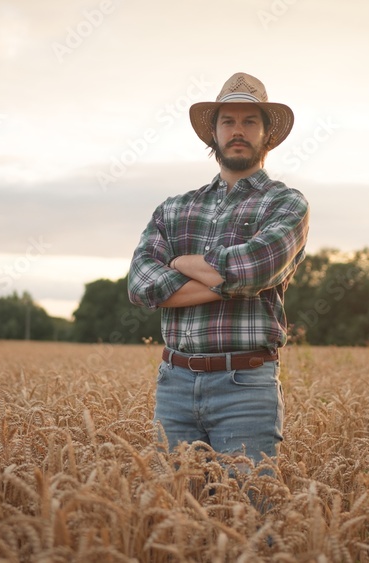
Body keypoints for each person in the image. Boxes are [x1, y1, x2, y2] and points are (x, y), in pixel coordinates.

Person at [127, 72, 310, 467]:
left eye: (249, 121)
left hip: (245, 386)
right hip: (173, 384)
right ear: (213, 133)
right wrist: (233, 280)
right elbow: (141, 285)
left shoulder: (286, 204)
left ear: (267, 135)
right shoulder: (175, 208)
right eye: (228, 121)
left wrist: (176, 263)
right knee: (175, 519)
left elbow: (253, 268)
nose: (237, 131)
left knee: (250, 519)